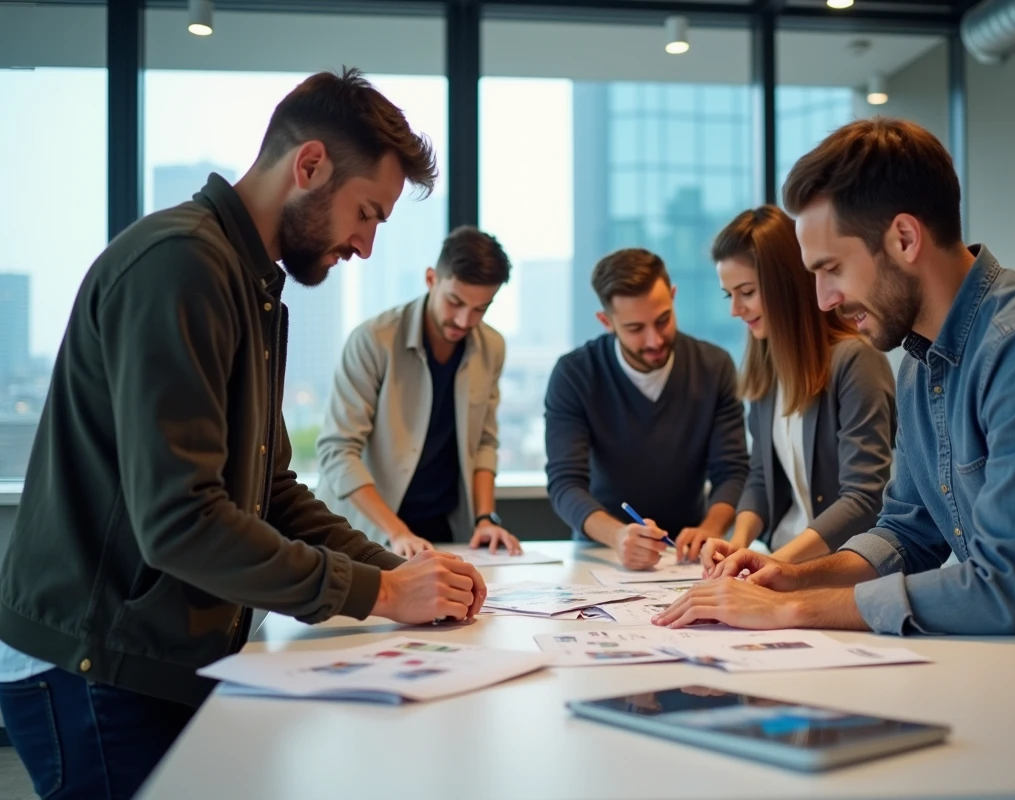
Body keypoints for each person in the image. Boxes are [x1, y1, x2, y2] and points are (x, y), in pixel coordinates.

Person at [0, 68, 488, 799]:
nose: (365, 244)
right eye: (367, 213)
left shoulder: (249, 283)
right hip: (91, 662)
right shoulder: (181, 265)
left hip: (152, 656)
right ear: (310, 166)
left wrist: (394, 570)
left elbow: (272, 492)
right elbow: (181, 522)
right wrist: (383, 592)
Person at [654, 117, 1015, 709]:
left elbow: (1002, 588)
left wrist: (791, 609)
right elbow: (907, 532)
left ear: (905, 239)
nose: (823, 300)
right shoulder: (920, 357)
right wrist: (791, 576)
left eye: (831, 269)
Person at [702, 205, 894, 571]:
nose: (736, 310)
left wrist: (774, 565)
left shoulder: (855, 361)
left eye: (746, 292)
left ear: (785, 285)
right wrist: (736, 545)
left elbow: (863, 497)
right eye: (729, 295)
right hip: (783, 562)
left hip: (840, 571)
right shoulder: (767, 370)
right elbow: (760, 478)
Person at [316, 225, 523, 558]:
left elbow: (484, 441)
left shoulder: (492, 346)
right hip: (366, 531)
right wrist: (396, 532)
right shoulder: (373, 340)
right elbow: (338, 450)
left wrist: (485, 519)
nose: (463, 320)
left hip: (444, 530)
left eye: (480, 309)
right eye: (454, 302)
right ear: (431, 279)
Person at [544, 248, 749, 569]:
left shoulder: (714, 367)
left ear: (673, 296)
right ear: (605, 321)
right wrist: (617, 536)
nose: (654, 340)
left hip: (691, 555)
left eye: (663, 320)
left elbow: (733, 471)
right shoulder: (575, 374)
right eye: (635, 329)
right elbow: (565, 483)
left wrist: (710, 530)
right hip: (602, 553)